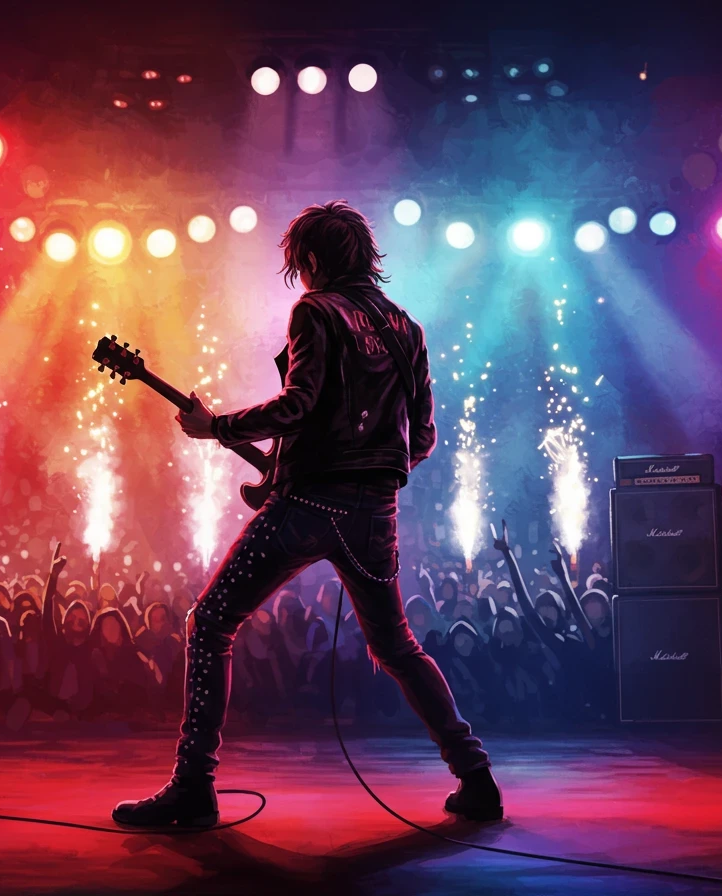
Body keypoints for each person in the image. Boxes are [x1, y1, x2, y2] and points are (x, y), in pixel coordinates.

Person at [114, 200, 498, 828]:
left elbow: (298, 406)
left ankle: (193, 788)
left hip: (308, 506)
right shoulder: (407, 328)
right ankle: (477, 778)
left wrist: (218, 427)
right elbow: (421, 438)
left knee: (211, 622)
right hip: (375, 514)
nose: (301, 276)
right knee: (397, 645)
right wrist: (368, 474)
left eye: (300, 264)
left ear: (312, 260)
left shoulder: (315, 312)